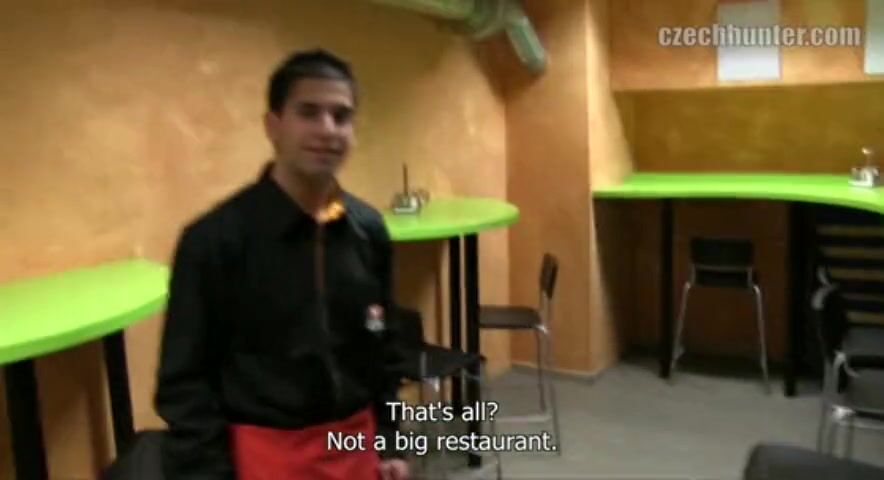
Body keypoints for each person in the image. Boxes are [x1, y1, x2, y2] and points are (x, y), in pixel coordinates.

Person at [154, 49, 410, 480]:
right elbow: (185, 383)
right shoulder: (215, 240)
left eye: (341, 116)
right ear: (273, 126)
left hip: (356, 452)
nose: (327, 129)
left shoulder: (367, 231)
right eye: (308, 112)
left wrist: (390, 440)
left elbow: (383, 350)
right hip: (264, 461)